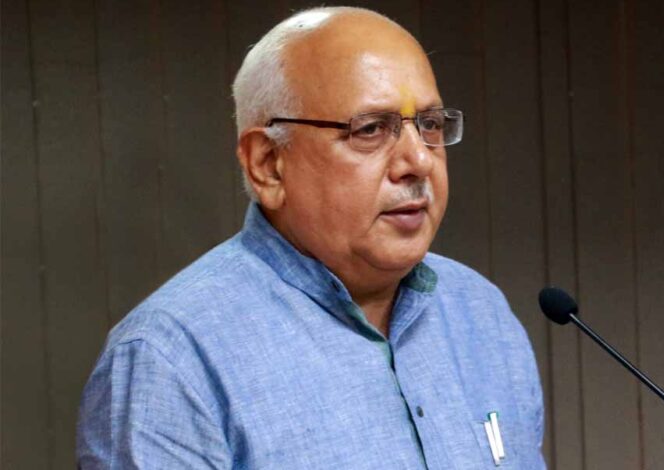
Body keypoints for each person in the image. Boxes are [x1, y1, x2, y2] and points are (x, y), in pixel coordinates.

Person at [77, 6, 546, 469]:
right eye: (370, 129)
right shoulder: (171, 359)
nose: (419, 161)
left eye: (429, 125)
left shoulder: (480, 313)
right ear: (268, 164)